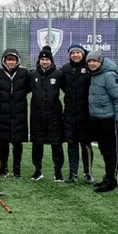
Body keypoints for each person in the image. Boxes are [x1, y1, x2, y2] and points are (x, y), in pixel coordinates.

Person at [86, 50, 118, 193]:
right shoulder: (95, 75)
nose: (92, 64)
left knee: (112, 151)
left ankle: (112, 181)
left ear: (101, 62)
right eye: (89, 61)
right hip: (98, 121)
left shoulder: (108, 75)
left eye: (95, 61)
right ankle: (108, 177)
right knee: (104, 150)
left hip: (110, 121)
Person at [28, 46, 66, 182]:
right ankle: (37, 170)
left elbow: (68, 90)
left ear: (51, 61)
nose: (45, 62)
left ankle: (58, 172)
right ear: (39, 61)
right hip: (37, 116)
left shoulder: (58, 74)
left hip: (54, 116)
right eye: (42, 59)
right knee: (37, 144)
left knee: (57, 144)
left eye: (47, 59)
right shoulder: (32, 75)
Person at [0, 48, 30, 178]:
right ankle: (3, 168)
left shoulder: (24, 73)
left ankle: (17, 169)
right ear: (4, 61)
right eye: (8, 60)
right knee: (3, 141)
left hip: (19, 112)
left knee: (17, 142)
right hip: (3, 113)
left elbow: (29, 88)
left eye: (13, 60)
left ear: (17, 60)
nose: (11, 62)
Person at [60, 44, 95, 184]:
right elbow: (62, 86)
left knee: (86, 144)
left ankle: (88, 173)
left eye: (78, 52)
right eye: (73, 52)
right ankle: (73, 173)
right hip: (69, 113)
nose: (75, 55)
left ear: (83, 54)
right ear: (69, 55)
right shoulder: (65, 69)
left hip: (85, 114)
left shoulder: (89, 68)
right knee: (71, 143)